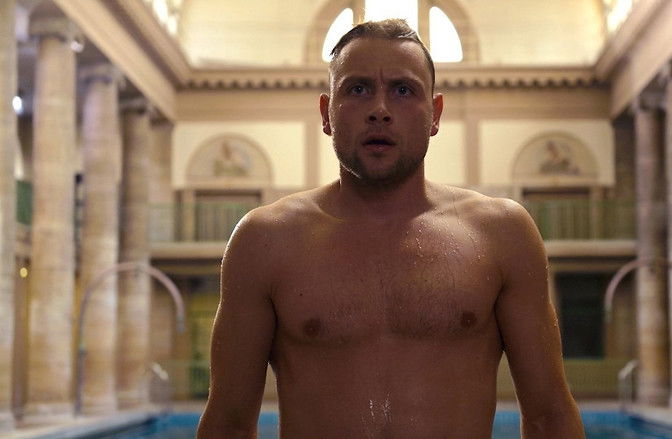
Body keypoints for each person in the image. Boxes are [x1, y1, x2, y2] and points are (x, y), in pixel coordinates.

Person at [197, 19, 585, 439]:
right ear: (326, 113)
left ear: (435, 114)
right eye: (357, 89)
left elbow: (549, 416)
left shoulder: (501, 235)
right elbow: (228, 424)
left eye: (403, 90)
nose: (379, 109)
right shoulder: (265, 241)